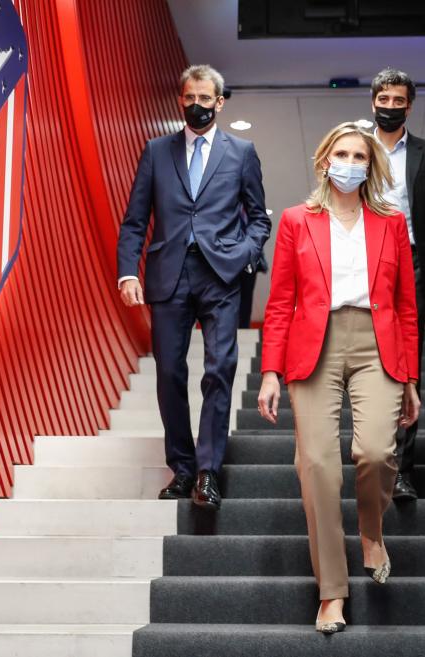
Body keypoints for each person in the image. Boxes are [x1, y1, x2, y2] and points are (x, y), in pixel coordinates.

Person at [257, 122, 421, 634]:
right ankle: (332, 590)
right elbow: (280, 302)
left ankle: (371, 532)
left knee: (375, 451)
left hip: (378, 344)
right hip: (314, 346)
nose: (350, 162)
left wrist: (411, 378)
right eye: (342, 153)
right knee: (319, 467)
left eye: (360, 156)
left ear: (371, 166)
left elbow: (406, 306)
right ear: (325, 159)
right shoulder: (294, 221)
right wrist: (269, 372)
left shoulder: (391, 222)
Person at [117, 65, 271, 509]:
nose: (197, 106)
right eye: (190, 98)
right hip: (168, 274)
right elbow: (134, 221)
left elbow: (258, 217)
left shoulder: (241, 153)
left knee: (219, 370)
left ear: (220, 102)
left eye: (206, 99)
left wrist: (244, 254)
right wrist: (129, 271)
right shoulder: (156, 151)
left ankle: (207, 471)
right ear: (180, 99)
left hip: (221, 275)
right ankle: (181, 468)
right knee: (169, 373)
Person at [368, 67, 425, 503]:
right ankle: (372, 455)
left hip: (413, 262)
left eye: (398, 101)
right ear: (373, 102)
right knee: (368, 359)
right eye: (384, 101)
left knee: (409, 362)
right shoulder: (355, 149)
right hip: (364, 261)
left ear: (409, 105)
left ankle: (402, 468)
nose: (390, 108)